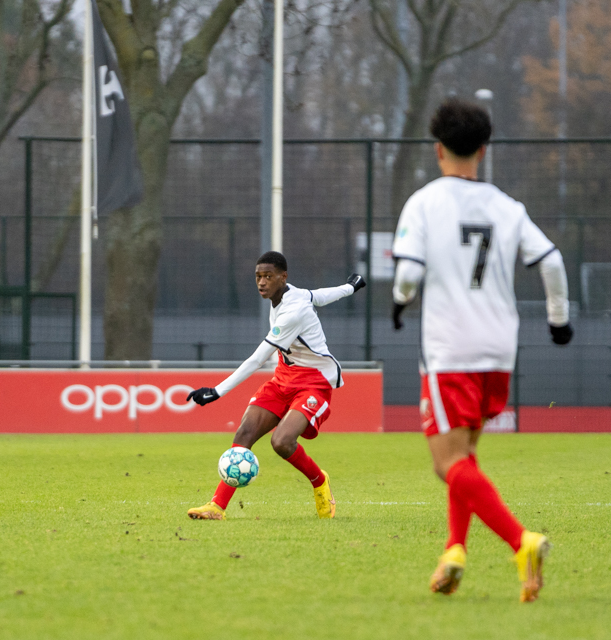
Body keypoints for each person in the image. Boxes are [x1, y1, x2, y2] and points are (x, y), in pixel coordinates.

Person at [391, 97, 574, 603]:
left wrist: (401, 302)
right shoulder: (507, 206)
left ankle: (523, 541)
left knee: (444, 463)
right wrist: (558, 320)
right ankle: (453, 551)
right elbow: (552, 262)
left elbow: (406, 274)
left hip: (450, 346)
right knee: (466, 455)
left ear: (437, 149)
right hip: (499, 347)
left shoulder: (425, 201)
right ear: (484, 149)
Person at [185, 251, 365, 521]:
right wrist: (351, 287)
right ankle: (217, 507)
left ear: (283, 277)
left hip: (314, 382)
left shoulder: (293, 311)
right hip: (284, 377)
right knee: (244, 434)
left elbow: (258, 359)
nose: (262, 282)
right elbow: (321, 295)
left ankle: (319, 482)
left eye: (268, 276)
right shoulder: (293, 293)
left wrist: (217, 391)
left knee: (281, 442)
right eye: (258, 276)